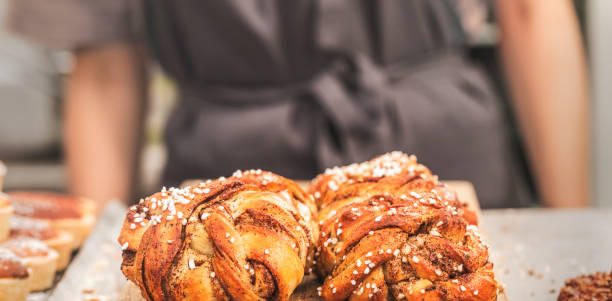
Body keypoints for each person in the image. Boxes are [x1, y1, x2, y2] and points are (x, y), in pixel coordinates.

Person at [8, 0, 589, 209]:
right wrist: (89, 290)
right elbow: (106, 69)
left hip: (449, 173)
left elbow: (533, 11)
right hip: (221, 196)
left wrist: (571, 230)